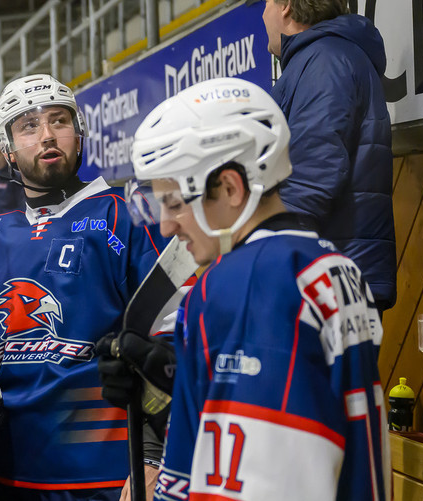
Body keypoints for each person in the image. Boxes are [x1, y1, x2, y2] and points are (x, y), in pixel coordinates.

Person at [100, 78, 389, 500]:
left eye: (175, 202)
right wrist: (175, 385)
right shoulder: (329, 264)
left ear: (232, 188)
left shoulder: (248, 282)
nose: (165, 225)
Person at [0, 74, 175, 500]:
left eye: (58, 121)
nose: (46, 135)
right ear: (7, 150)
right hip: (12, 477)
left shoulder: (126, 217)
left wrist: (152, 456)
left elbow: (167, 344)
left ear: (79, 133)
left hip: (112, 478)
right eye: (28, 126)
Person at [262, 0, 396, 313]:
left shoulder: (325, 61)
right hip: (330, 277)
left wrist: (256, 250)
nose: (263, 15)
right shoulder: (322, 58)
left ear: (286, 5)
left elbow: (314, 173)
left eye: (266, 2)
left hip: (329, 285)